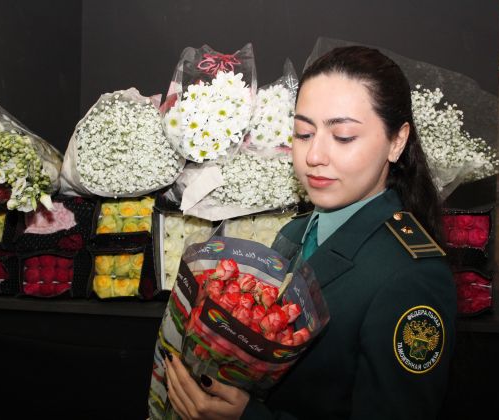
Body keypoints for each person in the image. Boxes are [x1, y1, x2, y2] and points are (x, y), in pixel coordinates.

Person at [164, 45, 457, 420]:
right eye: (303, 133)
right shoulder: (295, 232)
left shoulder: (411, 276)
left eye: (344, 136)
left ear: (397, 141)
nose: (314, 155)